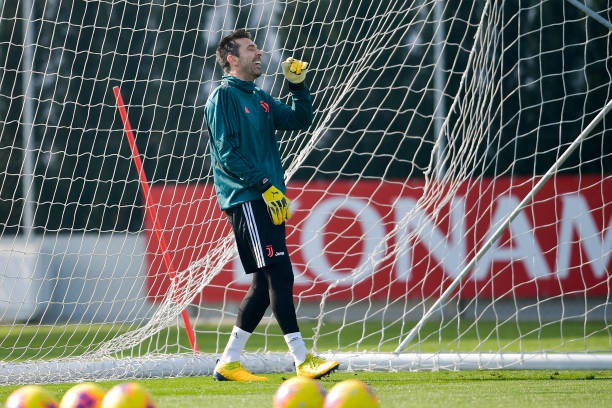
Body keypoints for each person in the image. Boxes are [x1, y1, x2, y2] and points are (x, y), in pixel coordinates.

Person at [204, 29, 339, 382]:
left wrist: (297, 86)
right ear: (232, 59)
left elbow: (299, 120)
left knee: (264, 286)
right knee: (281, 273)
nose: (259, 52)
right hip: (247, 198)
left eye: (258, 47)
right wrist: (264, 186)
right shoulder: (223, 97)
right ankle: (302, 360)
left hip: (268, 199)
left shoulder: (260, 98)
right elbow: (226, 153)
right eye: (250, 49)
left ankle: (228, 363)